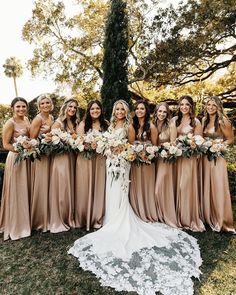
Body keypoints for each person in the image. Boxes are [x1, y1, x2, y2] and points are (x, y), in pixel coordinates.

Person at [68, 99, 202, 295]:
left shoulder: (129, 126)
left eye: (123, 108)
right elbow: (105, 143)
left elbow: (130, 146)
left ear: (126, 111)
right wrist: (108, 147)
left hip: (122, 163)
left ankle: (119, 219)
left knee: (120, 190)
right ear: (114, 111)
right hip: (109, 162)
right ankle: (110, 218)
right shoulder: (110, 124)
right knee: (110, 190)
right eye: (117, 108)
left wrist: (119, 150)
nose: (120, 111)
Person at [170, 95, 205, 232]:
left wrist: (189, 144)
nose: (184, 107)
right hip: (177, 158)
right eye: (182, 104)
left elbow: (198, 142)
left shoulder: (196, 122)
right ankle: (177, 216)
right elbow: (173, 141)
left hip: (190, 159)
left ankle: (188, 217)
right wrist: (178, 146)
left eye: (187, 105)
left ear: (191, 107)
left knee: (186, 186)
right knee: (178, 186)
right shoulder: (174, 120)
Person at [202, 96, 235, 233]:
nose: (210, 107)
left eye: (213, 105)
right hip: (205, 158)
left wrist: (218, 145)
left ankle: (222, 220)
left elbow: (231, 140)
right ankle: (208, 217)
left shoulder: (223, 121)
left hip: (217, 158)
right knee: (207, 187)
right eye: (208, 105)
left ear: (218, 107)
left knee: (218, 187)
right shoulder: (204, 120)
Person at [74, 100, 108, 230]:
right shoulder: (83, 124)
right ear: (88, 110)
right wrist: (89, 145)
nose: (95, 111)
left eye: (97, 109)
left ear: (101, 110)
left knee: (99, 186)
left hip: (100, 159)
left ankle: (97, 216)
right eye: (92, 109)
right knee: (85, 187)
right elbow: (78, 143)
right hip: (85, 159)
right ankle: (84, 217)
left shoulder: (106, 124)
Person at [0, 97, 31, 240]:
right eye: (18, 107)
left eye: (23, 106)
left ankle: (26, 220)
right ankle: (15, 223)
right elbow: (6, 144)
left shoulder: (27, 121)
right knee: (16, 190)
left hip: (27, 158)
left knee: (25, 189)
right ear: (13, 108)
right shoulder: (10, 123)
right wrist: (20, 148)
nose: (21, 109)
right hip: (15, 159)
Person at [49, 98, 80, 233]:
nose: (72, 109)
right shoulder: (58, 123)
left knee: (70, 186)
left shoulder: (74, 123)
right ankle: (59, 218)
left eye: (75, 107)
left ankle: (69, 216)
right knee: (62, 187)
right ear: (65, 107)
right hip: (61, 159)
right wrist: (65, 143)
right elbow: (51, 142)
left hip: (71, 158)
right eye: (70, 107)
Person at [128, 100, 158, 222]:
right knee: (136, 185)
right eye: (137, 109)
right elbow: (130, 144)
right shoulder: (131, 126)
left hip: (148, 161)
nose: (139, 111)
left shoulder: (151, 127)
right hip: (135, 161)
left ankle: (148, 211)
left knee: (147, 185)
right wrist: (137, 152)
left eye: (142, 109)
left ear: (146, 111)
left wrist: (147, 152)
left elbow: (155, 146)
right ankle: (136, 210)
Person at [30, 94, 54, 232]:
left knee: (48, 185)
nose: (45, 105)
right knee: (41, 185)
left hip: (49, 155)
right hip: (40, 157)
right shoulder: (37, 119)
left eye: (47, 103)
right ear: (39, 106)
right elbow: (32, 140)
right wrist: (43, 145)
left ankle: (49, 215)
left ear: (51, 105)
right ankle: (40, 218)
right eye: (42, 103)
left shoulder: (51, 118)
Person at [153, 102, 178, 227]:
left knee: (159, 189)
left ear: (168, 114)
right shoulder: (152, 124)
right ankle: (156, 214)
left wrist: (165, 149)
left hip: (164, 160)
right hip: (152, 161)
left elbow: (173, 144)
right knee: (152, 189)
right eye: (160, 111)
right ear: (156, 112)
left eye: (164, 112)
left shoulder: (171, 126)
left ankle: (165, 215)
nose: (162, 114)